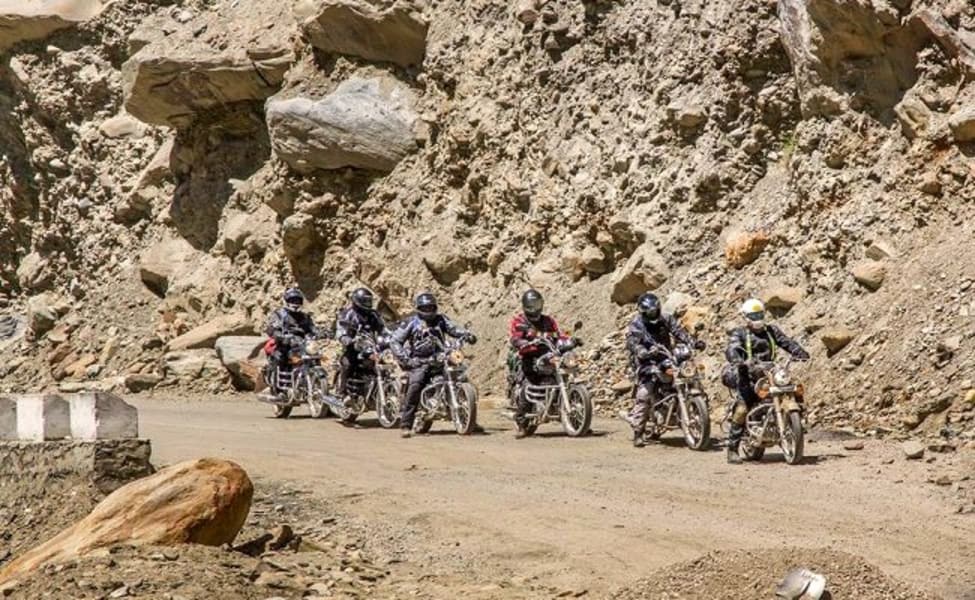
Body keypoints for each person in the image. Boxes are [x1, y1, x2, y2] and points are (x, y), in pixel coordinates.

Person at [722, 298, 809, 464]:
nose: (757, 318)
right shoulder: (739, 333)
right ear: (745, 317)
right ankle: (732, 449)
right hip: (747, 373)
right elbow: (732, 348)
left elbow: (786, 342)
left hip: (769, 371)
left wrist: (799, 352)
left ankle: (796, 422)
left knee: (794, 389)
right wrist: (738, 360)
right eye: (753, 316)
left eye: (760, 315)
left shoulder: (771, 330)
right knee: (742, 408)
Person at [390, 293, 477, 437]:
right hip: (420, 360)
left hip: (441, 357)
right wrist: (406, 359)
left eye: (431, 307)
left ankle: (469, 418)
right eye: (425, 308)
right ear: (419, 308)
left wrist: (467, 335)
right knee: (415, 385)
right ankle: (406, 424)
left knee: (461, 376)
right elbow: (395, 341)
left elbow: (454, 329)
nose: (428, 310)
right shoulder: (411, 322)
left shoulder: (441, 319)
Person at [624, 292, 705, 448]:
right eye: (649, 312)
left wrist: (693, 343)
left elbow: (679, 332)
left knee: (690, 375)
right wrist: (641, 350)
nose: (653, 314)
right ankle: (638, 432)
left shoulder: (666, 318)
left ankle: (693, 408)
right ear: (643, 312)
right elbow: (632, 341)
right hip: (646, 360)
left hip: (666, 356)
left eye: (655, 311)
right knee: (645, 393)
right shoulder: (637, 323)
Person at [508, 289, 578, 438]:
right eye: (531, 305)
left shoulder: (548, 320)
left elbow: (558, 335)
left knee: (564, 375)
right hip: (530, 356)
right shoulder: (520, 321)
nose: (535, 307)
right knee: (528, 385)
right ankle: (521, 423)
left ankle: (577, 422)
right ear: (525, 306)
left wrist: (570, 340)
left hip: (549, 354)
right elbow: (515, 337)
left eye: (537, 304)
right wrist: (521, 343)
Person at [263, 287, 323, 394]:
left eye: (297, 300)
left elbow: (312, 328)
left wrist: (321, 333)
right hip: (285, 344)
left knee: (315, 357)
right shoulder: (279, 314)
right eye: (292, 300)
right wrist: (280, 335)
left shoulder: (305, 317)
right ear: (286, 301)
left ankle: (317, 383)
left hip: (302, 344)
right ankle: (277, 389)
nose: (295, 303)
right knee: (279, 357)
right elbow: (272, 328)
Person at [334, 287, 389, 398]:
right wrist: (346, 339)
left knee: (383, 367)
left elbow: (383, 328)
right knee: (347, 365)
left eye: (369, 300)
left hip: (370, 347)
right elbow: (341, 329)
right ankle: (341, 392)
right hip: (352, 347)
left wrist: (387, 338)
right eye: (365, 301)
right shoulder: (348, 314)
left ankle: (383, 391)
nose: (368, 303)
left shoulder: (373, 314)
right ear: (357, 301)